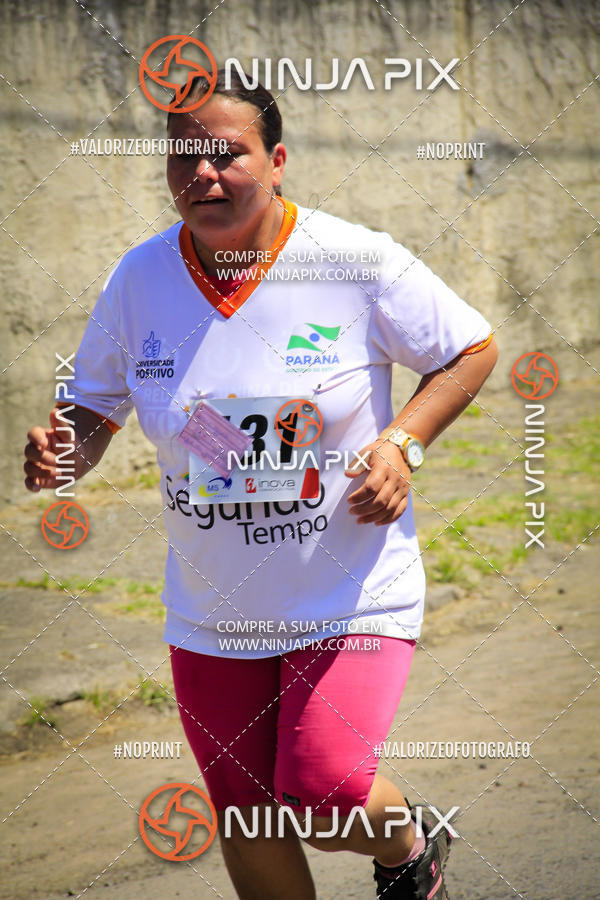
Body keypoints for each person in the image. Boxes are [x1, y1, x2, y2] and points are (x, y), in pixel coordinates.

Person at [24, 70, 498, 900]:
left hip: (349, 593)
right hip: (215, 607)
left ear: (276, 161)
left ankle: (407, 844)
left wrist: (402, 444)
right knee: (247, 815)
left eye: (227, 155)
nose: (203, 174)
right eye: (184, 157)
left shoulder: (352, 259)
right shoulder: (139, 279)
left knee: (323, 793)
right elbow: (93, 407)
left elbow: (470, 348)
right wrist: (66, 451)